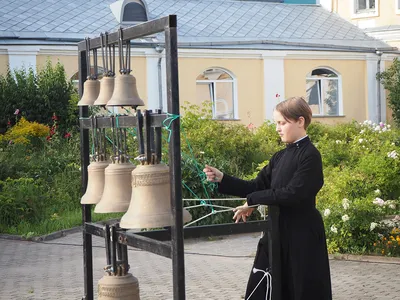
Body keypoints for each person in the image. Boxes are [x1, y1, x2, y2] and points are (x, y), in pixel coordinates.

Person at [203, 97, 332, 300]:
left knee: (300, 290)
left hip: (301, 236)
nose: (277, 129)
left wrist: (253, 200)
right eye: (276, 123)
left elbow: (293, 193)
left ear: (300, 121)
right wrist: (223, 179)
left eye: (282, 123)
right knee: (263, 288)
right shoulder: (279, 157)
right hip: (276, 232)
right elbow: (256, 186)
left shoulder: (310, 156)